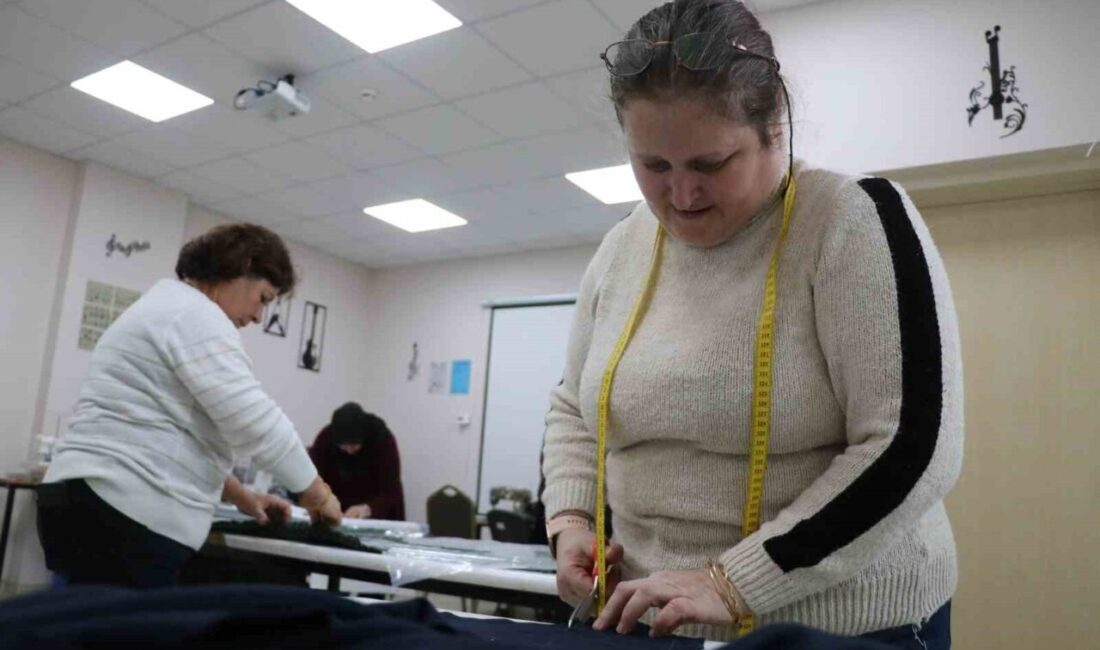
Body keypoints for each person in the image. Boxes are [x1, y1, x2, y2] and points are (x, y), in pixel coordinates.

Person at [540, 1, 963, 647]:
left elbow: (912, 446)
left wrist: (733, 581)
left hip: (842, 623)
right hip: (647, 614)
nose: (680, 196)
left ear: (774, 130)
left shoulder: (852, 220)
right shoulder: (622, 246)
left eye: (710, 165)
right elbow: (573, 406)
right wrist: (570, 519)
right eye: (653, 167)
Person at [38, 223, 343, 589]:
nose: (259, 317)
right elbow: (254, 421)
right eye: (263, 297)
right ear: (242, 266)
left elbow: (173, 425)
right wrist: (316, 494)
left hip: (88, 498)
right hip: (127, 512)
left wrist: (240, 495)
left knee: (77, 626)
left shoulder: (164, 307)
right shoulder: (195, 315)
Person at [310, 403, 405, 521]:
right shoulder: (324, 440)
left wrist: (368, 508)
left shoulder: (382, 439)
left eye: (354, 445)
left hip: (377, 509)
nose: (350, 451)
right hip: (337, 511)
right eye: (344, 446)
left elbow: (391, 488)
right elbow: (315, 481)